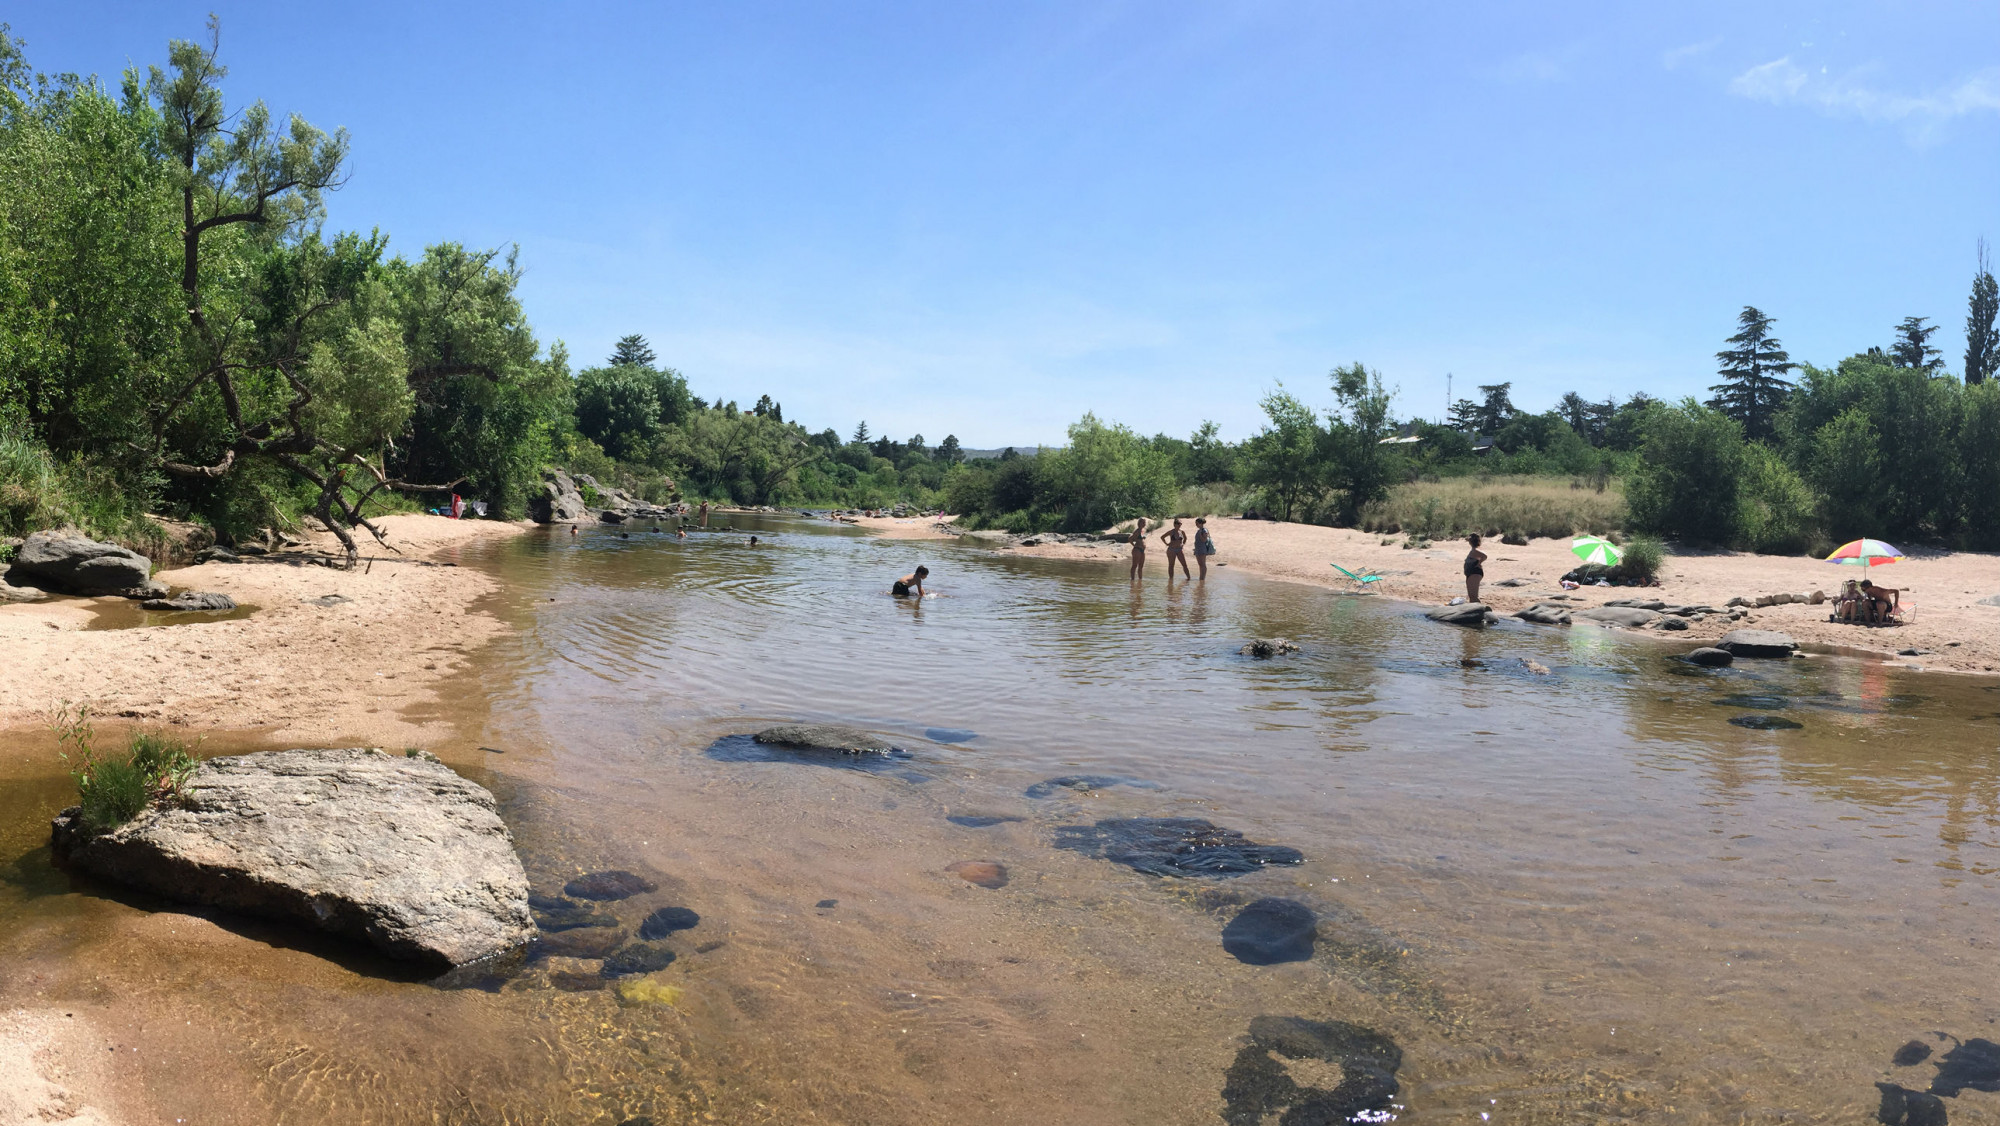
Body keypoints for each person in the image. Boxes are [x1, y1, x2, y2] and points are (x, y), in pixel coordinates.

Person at [1463, 534, 1487, 603]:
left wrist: (1479, 563)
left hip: (1475, 573)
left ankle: (1479, 611)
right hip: (1470, 573)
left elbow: (1484, 556)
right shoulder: (1473, 550)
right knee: (1471, 596)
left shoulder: (1475, 550)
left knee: (1474, 596)